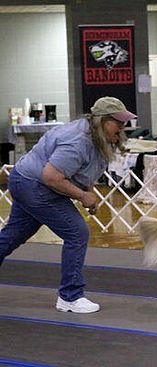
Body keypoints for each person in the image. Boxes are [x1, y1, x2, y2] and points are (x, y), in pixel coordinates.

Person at [0, 96, 136, 313]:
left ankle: (70, 295)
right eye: (117, 122)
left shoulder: (97, 136)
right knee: (77, 232)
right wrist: (83, 196)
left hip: (26, 179)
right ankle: (70, 297)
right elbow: (52, 176)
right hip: (34, 184)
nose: (122, 127)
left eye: (124, 122)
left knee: (14, 235)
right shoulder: (77, 141)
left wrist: (88, 192)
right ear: (101, 121)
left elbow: (83, 170)